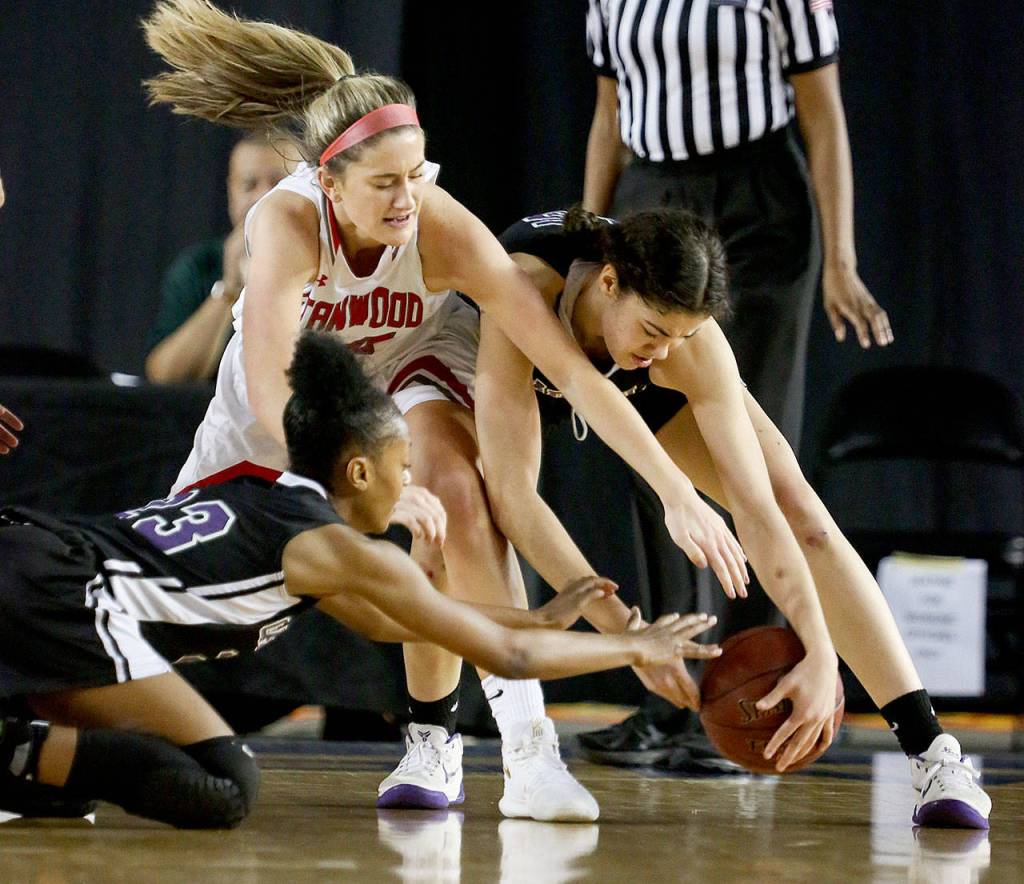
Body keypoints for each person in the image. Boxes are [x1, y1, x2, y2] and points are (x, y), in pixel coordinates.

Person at [140, 0, 747, 823]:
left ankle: (506, 752)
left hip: (406, 371)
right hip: (287, 409)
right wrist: (358, 487)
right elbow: (279, 383)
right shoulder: (283, 224)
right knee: (160, 597)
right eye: (385, 183)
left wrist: (675, 487)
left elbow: (572, 368)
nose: (407, 198)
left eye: (419, 174)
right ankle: (52, 741)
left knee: (459, 500)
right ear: (330, 182)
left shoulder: (439, 226)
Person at [0, 331, 720, 828]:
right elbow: (512, 664)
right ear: (359, 471)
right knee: (223, 787)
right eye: (404, 468)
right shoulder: (335, 545)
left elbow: (396, 622)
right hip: (58, 593)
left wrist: (539, 616)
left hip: (33, 560)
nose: (411, 484)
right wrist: (635, 648)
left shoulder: (268, 495)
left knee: (64, 790)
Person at [475, 206, 991, 829]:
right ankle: (496, 741)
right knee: (475, 504)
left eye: (683, 336)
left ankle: (933, 753)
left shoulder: (678, 348)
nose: (664, 350)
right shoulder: (525, 283)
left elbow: (758, 511)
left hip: (619, 367)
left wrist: (821, 652)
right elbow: (516, 498)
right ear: (608, 284)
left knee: (802, 510)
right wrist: (625, 635)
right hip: (484, 359)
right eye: (654, 329)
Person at [579, 0, 893, 763]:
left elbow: (823, 116)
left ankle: (753, 696)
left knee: (747, 463)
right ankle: (675, 700)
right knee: (650, 453)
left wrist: (841, 257)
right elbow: (609, 112)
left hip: (758, 201)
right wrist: (588, 234)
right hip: (649, 197)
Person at [144, 135, 291, 383]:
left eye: (279, 183)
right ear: (231, 192)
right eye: (249, 184)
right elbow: (164, 376)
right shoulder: (200, 266)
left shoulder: (334, 263)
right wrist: (229, 290)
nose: (263, 198)